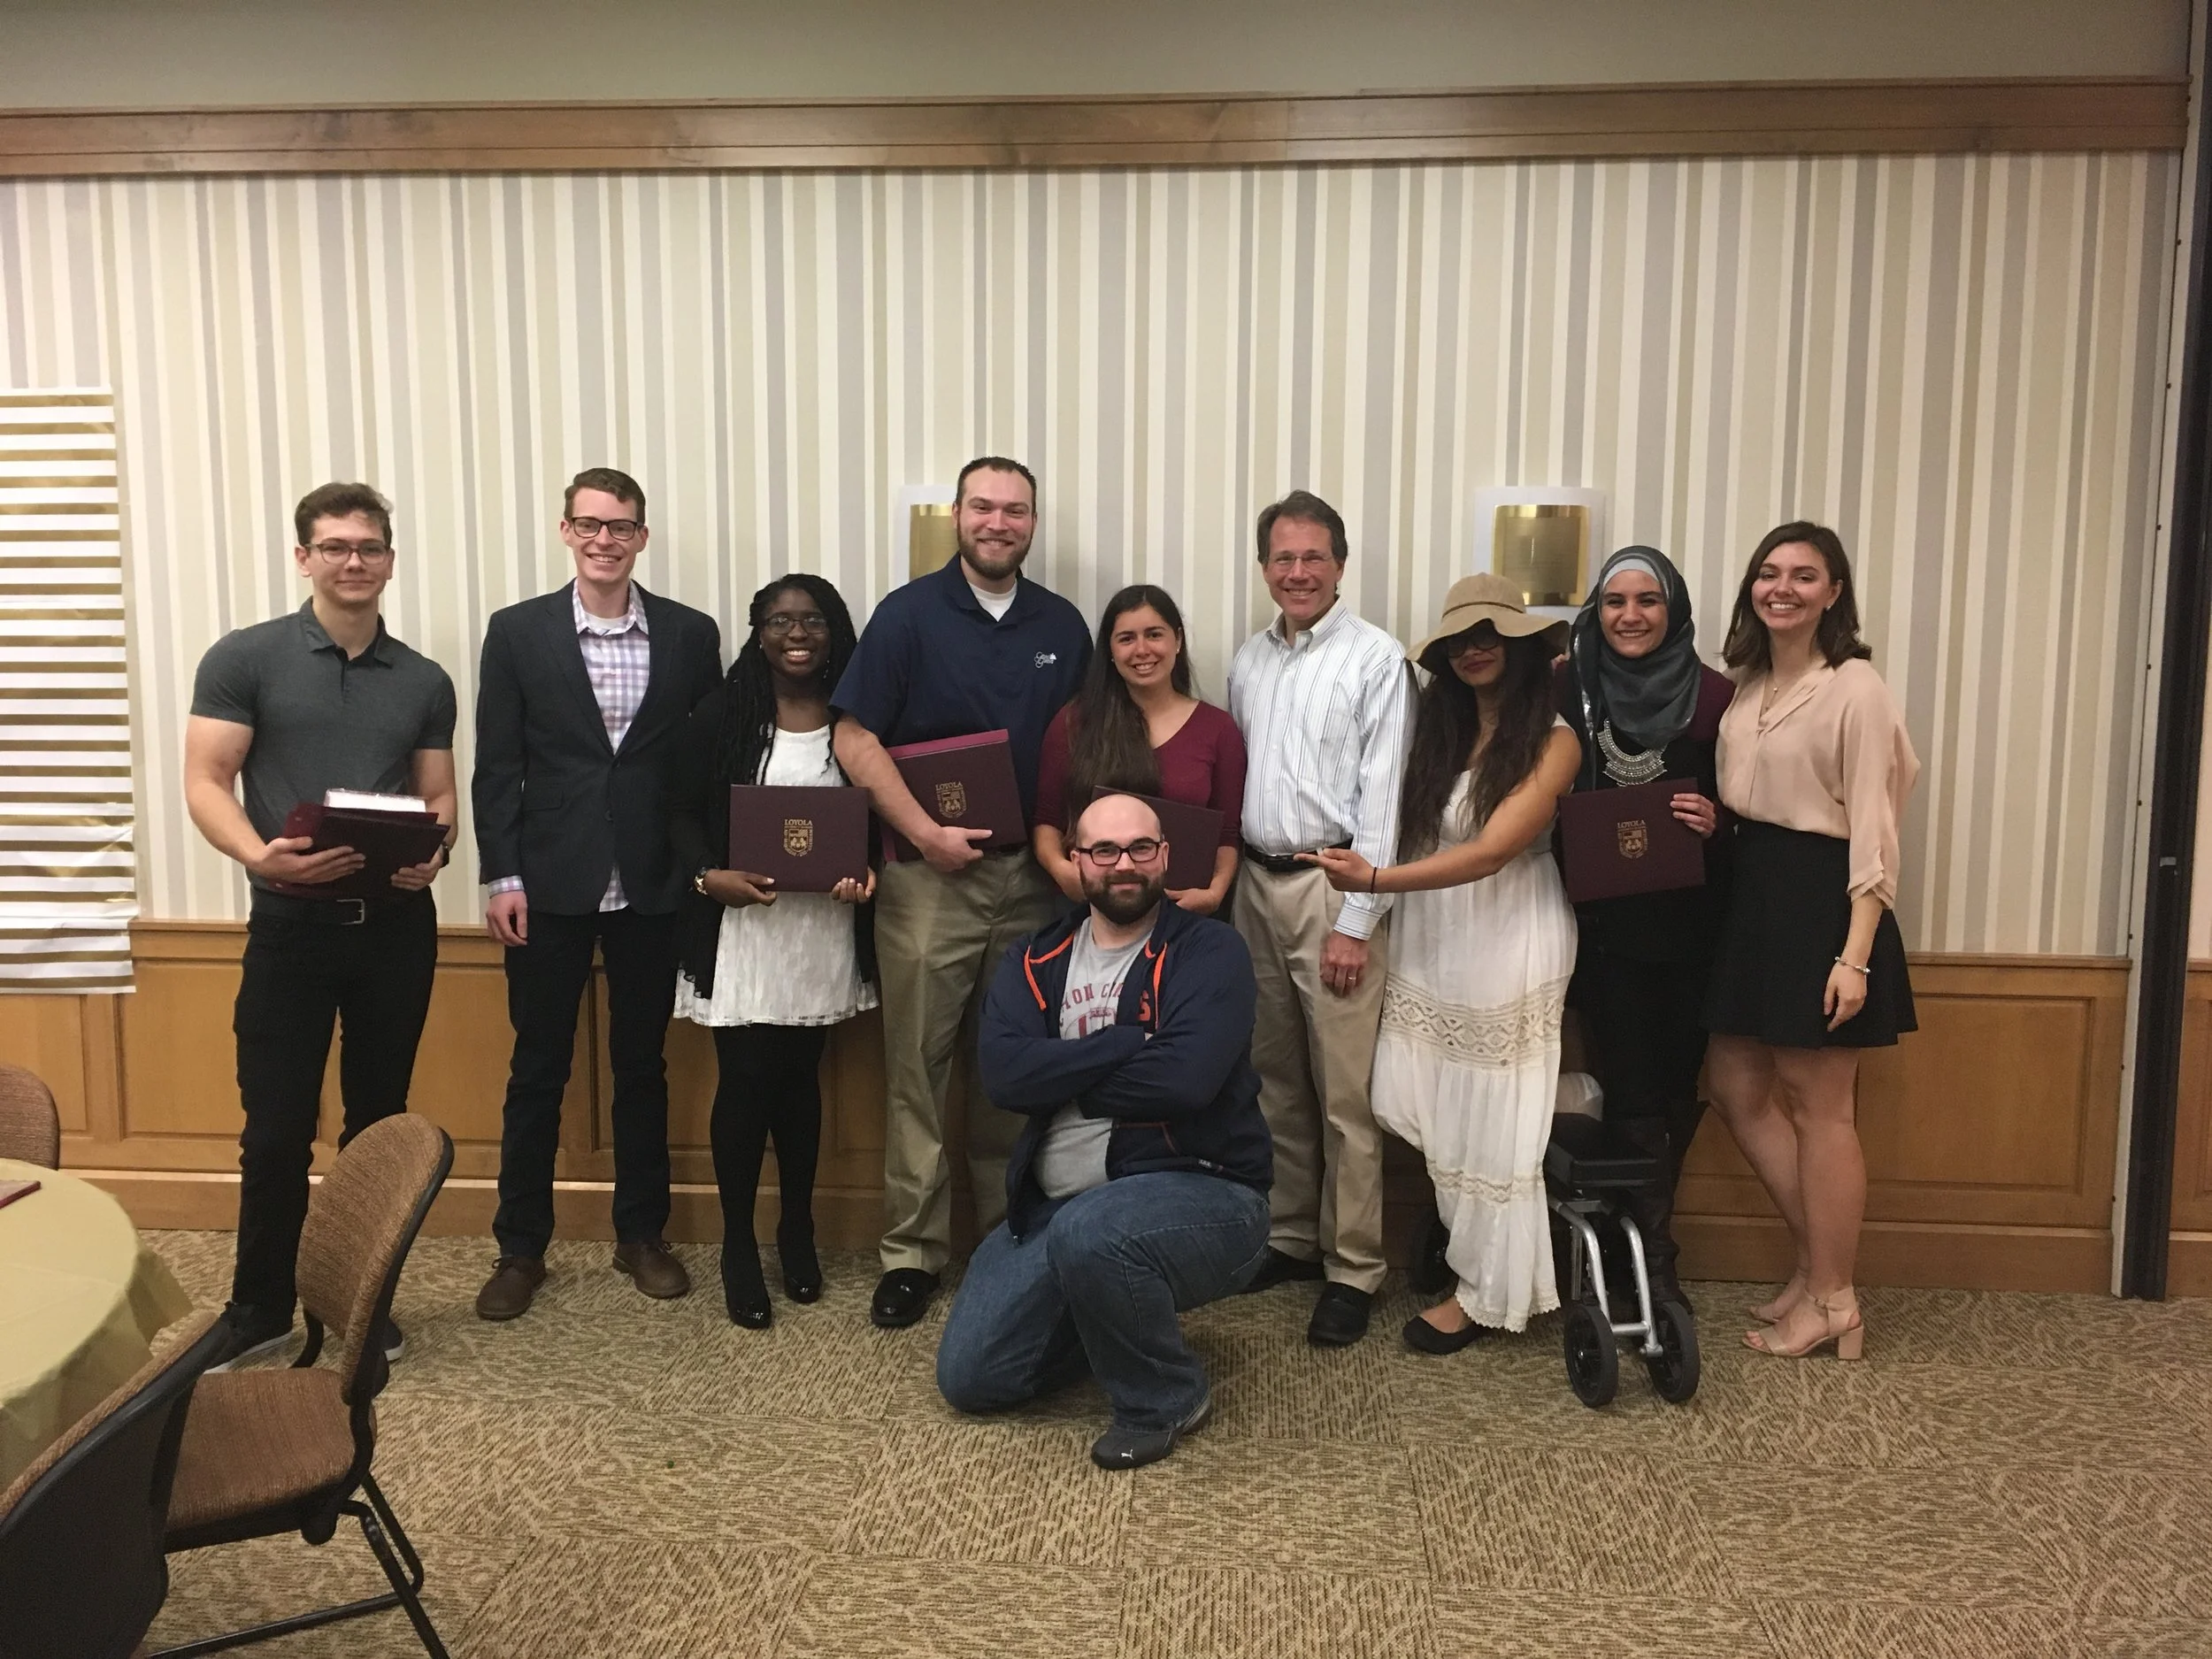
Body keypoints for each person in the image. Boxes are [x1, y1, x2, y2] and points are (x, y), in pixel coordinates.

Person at [182, 481, 457, 1368]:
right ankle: (259, 1306)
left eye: (369, 547)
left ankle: (362, 1306)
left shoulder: (423, 678)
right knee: (275, 1130)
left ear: (388, 558)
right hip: (290, 930)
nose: (353, 561)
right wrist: (258, 855)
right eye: (335, 546)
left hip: (394, 933)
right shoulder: (244, 658)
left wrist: (437, 854)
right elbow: (204, 780)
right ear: (304, 557)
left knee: (378, 1130)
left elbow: (438, 794)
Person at [828, 456, 1092, 1330]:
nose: (999, 522)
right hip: (927, 879)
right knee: (918, 1069)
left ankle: (1008, 1240)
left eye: (1016, 510)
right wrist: (923, 832)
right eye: (983, 506)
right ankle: (912, 1253)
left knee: (1009, 1071)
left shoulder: (1062, 624)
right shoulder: (906, 616)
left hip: (1032, 882)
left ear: (1032, 523)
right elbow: (854, 738)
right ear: (956, 516)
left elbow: (1084, 751)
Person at [939, 793, 1271, 1469]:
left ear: (1165, 856)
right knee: (974, 1378)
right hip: (1056, 1204)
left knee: (1094, 1232)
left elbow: (1184, 1081)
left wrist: (1053, 1071)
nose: (1124, 865)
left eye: (1140, 849)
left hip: (1206, 1196)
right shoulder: (1035, 958)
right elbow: (1003, 1077)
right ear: (1076, 861)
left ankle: (1164, 1396)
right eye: (1104, 851)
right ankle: (1113, 1311)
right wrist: (1127, 1042)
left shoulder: (1210, 951)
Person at [471, 467, 723, 1321]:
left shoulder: (691, 635)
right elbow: (498, 765)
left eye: (621, 527)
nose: (605, 540)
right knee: (536, 1067)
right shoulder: (517, 632)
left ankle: (641, 1234)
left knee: (641, 1068)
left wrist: (703, 866)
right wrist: (501, 875)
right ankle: (520, 1246)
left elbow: (702, 768)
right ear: (567, 531)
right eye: (590, 525)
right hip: (545, 885)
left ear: (643, 537)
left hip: (653, 883)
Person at [1310, 573, 1578, 1352]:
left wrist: (1370, 880)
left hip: (1508, 929)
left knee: (1493, 1120)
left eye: (1493, 634)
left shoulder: (1553, 738)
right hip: (1434, 932)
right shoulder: (1433, 726)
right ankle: (1465, 1247)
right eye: (1463, 637)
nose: (1476, 648)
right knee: (1416, 1094)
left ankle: (1486, 1288)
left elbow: (1492, 852)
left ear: (1527, 646)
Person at [1702, 522, 1918, 1362]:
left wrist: (1855, 951)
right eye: (1768, 572)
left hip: (1823, 903)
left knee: (1821, 1105)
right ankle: (1814, 1261)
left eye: (1803, 574)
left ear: (1835, 591)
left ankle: (1835, 1298)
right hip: (1751, 893)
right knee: (1734, 1082)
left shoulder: (1854, 685)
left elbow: (1877, 820)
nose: (1781, 587)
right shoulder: (1745, 683)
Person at [666, 574, 877, 1329]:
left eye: (813, 620)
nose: (797, 633)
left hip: (820, 930)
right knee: (745, 1082)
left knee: (800, 1082)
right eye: (780, 620)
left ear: (835, 631)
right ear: (757, 632)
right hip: (742, 931)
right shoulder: (724, 714)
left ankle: (797, 1230)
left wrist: (868, 872)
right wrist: (705, 875)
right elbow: (680, 809)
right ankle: (736, 1246)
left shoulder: (855, 719)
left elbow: (874, 818)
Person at [1226, 489, 1409, 1348]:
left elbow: (1386, 798)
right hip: (1253, 889)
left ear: (1339, 564)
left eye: (1313, 558)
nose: (1297, 573)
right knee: (1275, 1086)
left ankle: (1354, 1266)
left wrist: (1357, 921)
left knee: (1346, 1097)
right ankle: (1293, 1238)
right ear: (1264, 568)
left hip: (1332, 887)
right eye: (1282, 559)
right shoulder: (1247, 661)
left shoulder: (1378, 660)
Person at [1555, 546, 1734, 1306]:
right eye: (1615, 601)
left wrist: (1716, 817)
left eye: (1648, 600)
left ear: (1676, 611)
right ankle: (1642, 1262)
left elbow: (1759, 805)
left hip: (1690, 926)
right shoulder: (1566, 685)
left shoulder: (1717, 698)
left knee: (1671, 1088)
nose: (1630, 616)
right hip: (1598, 926)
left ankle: (1648, 1243)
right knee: (1624, 1085)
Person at [1032, 584, 1245, 915]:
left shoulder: (1218, 730)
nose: (1142, 650)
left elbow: (1228, 834)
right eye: (1126, 639)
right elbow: (1047, 818)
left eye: (1154, 635)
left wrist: (1215, 893)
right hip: (1091, 911)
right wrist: (1062, 870)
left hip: (1182, 914)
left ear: (1178, 640)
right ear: (1111, 652)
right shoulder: (1075, 722)